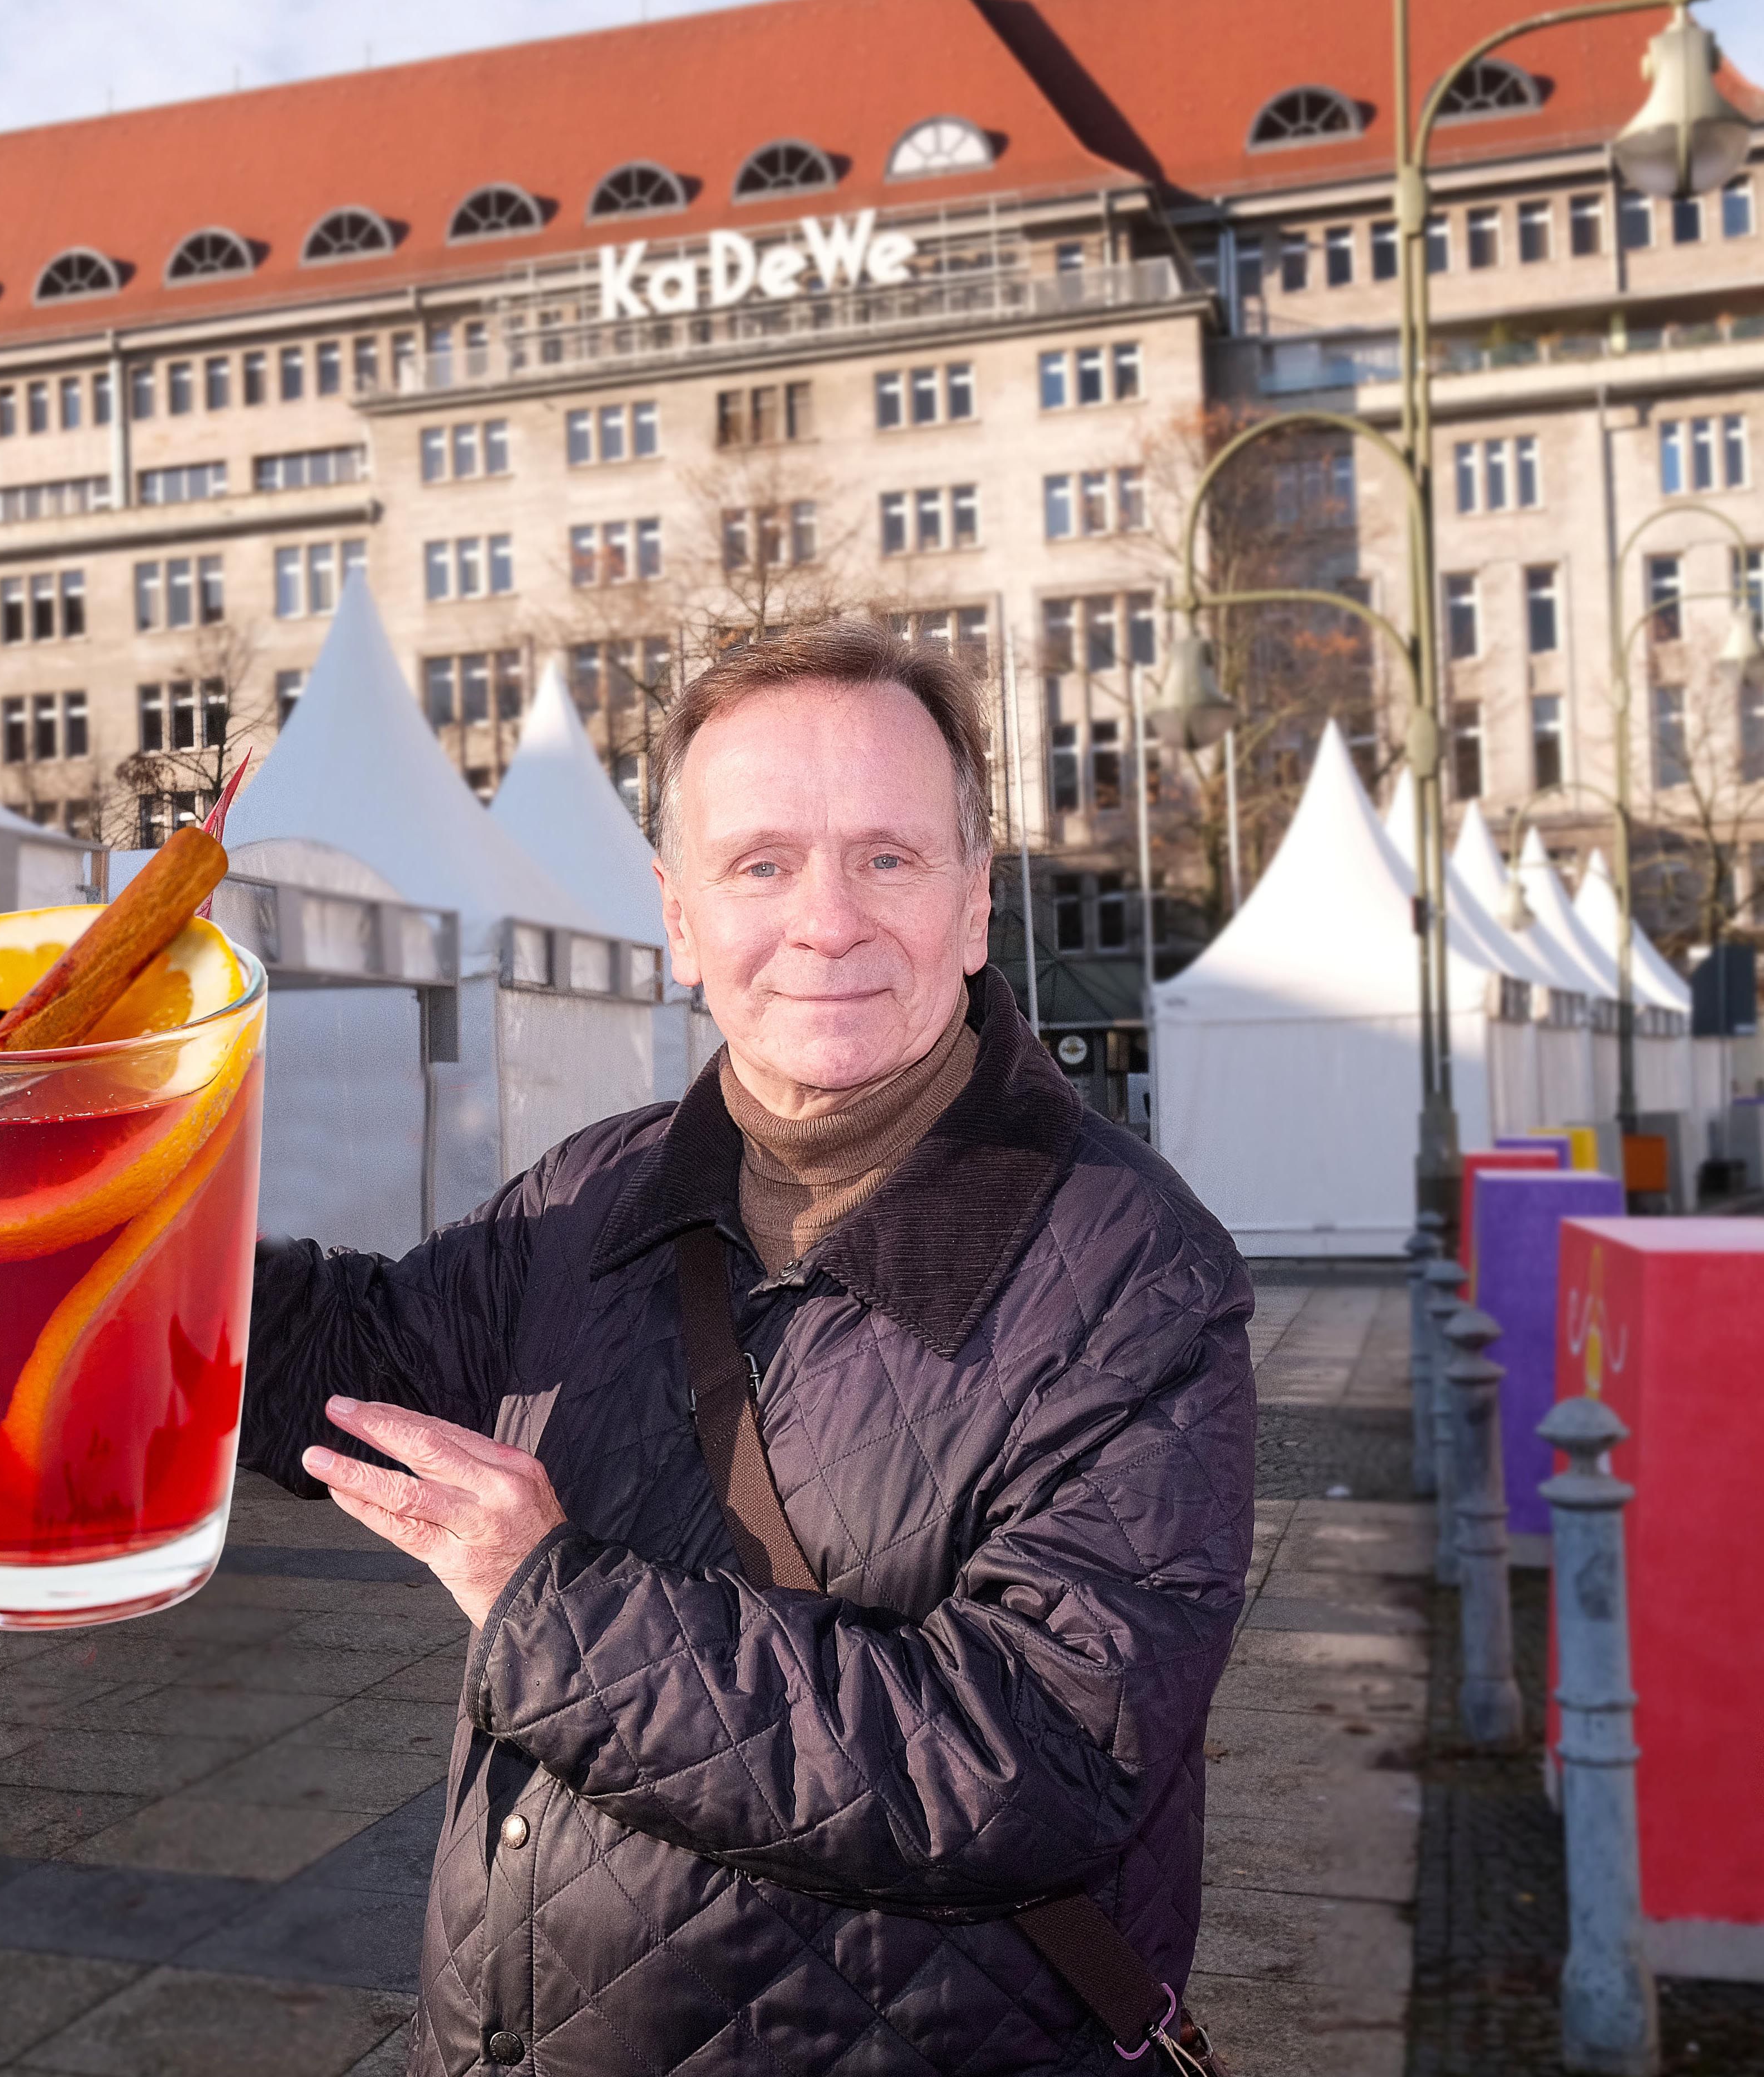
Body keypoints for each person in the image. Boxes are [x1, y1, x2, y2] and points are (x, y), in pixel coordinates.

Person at [240, 619, 1255, 2074]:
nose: (825, 922)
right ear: (679, 918)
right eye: (761, 864)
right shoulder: (598, 1189)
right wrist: (104, 1240)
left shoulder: (1132, 1271)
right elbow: (361, 1361)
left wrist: (548, 1606)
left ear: (975, 901)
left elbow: (1030, 1758)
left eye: (887, 858)